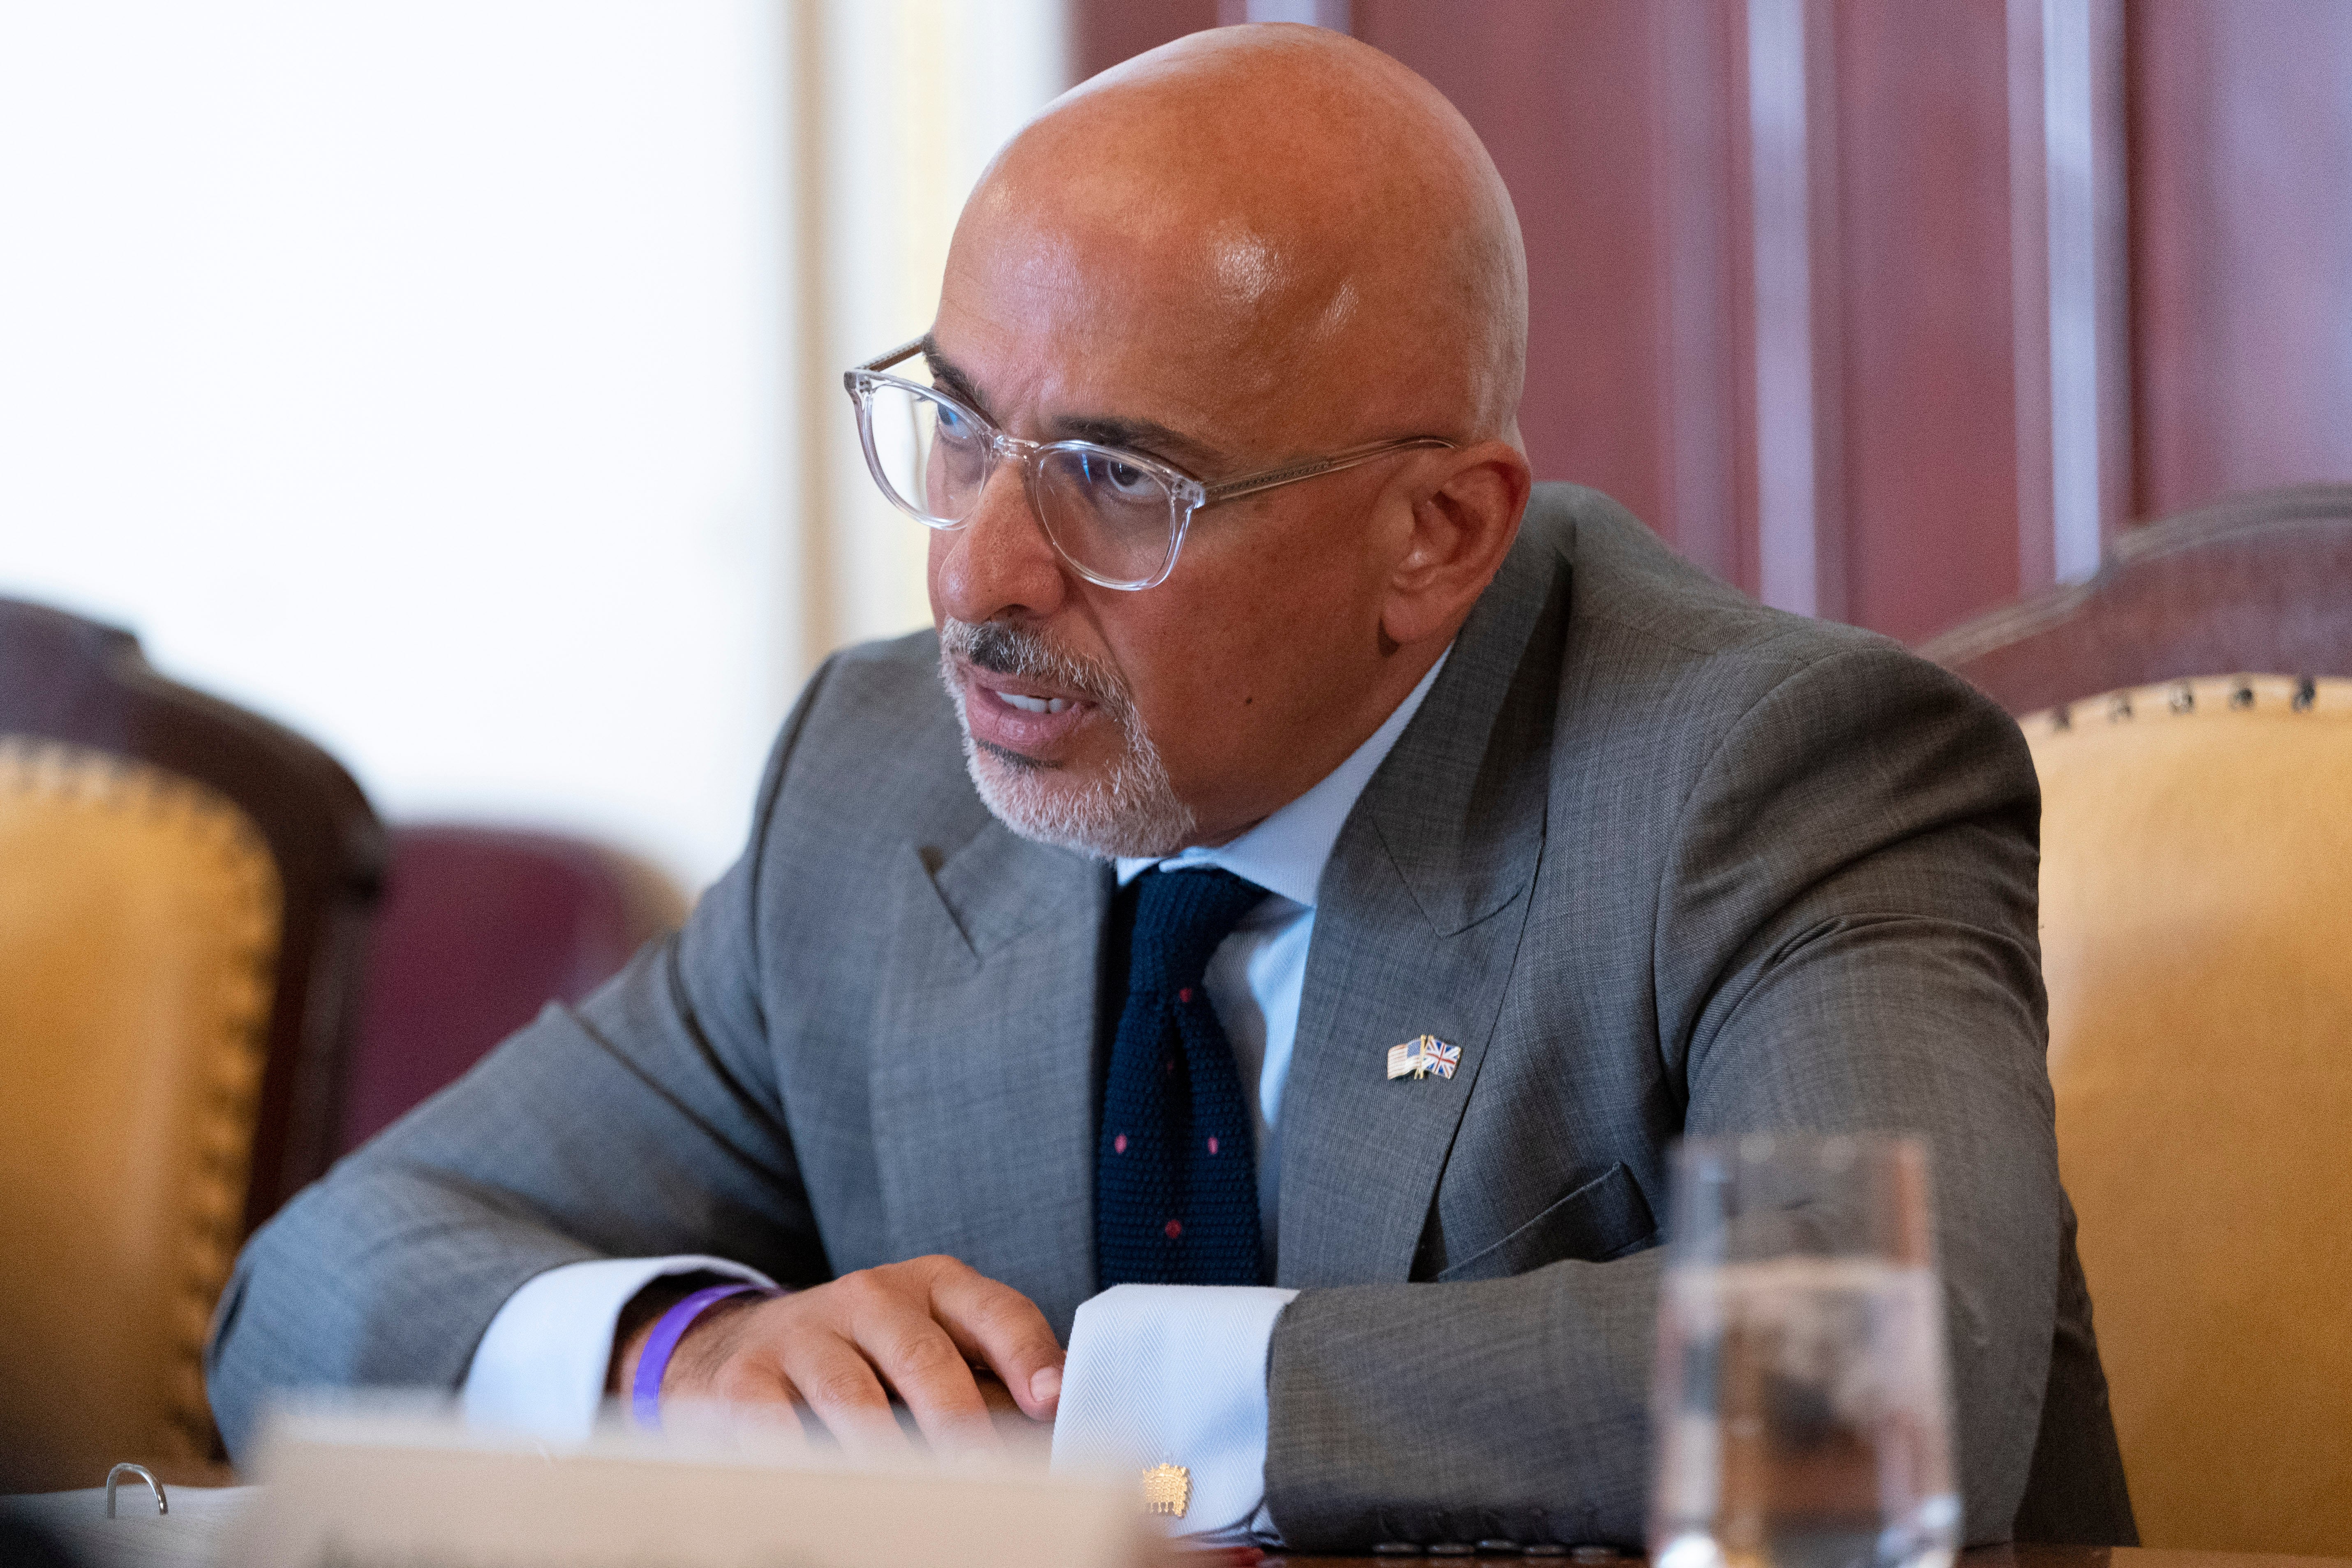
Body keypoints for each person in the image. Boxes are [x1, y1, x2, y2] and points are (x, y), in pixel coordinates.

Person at [206, 23, 2135, 1552]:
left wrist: (1113, 1419)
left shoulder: (1771, 778)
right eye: (958, 427)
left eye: (1120, 479)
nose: (974, 573)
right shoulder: (881, 785)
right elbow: (314, 1291)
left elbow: (1874, 1383)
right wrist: (684, 1361)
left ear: (1436, 537)